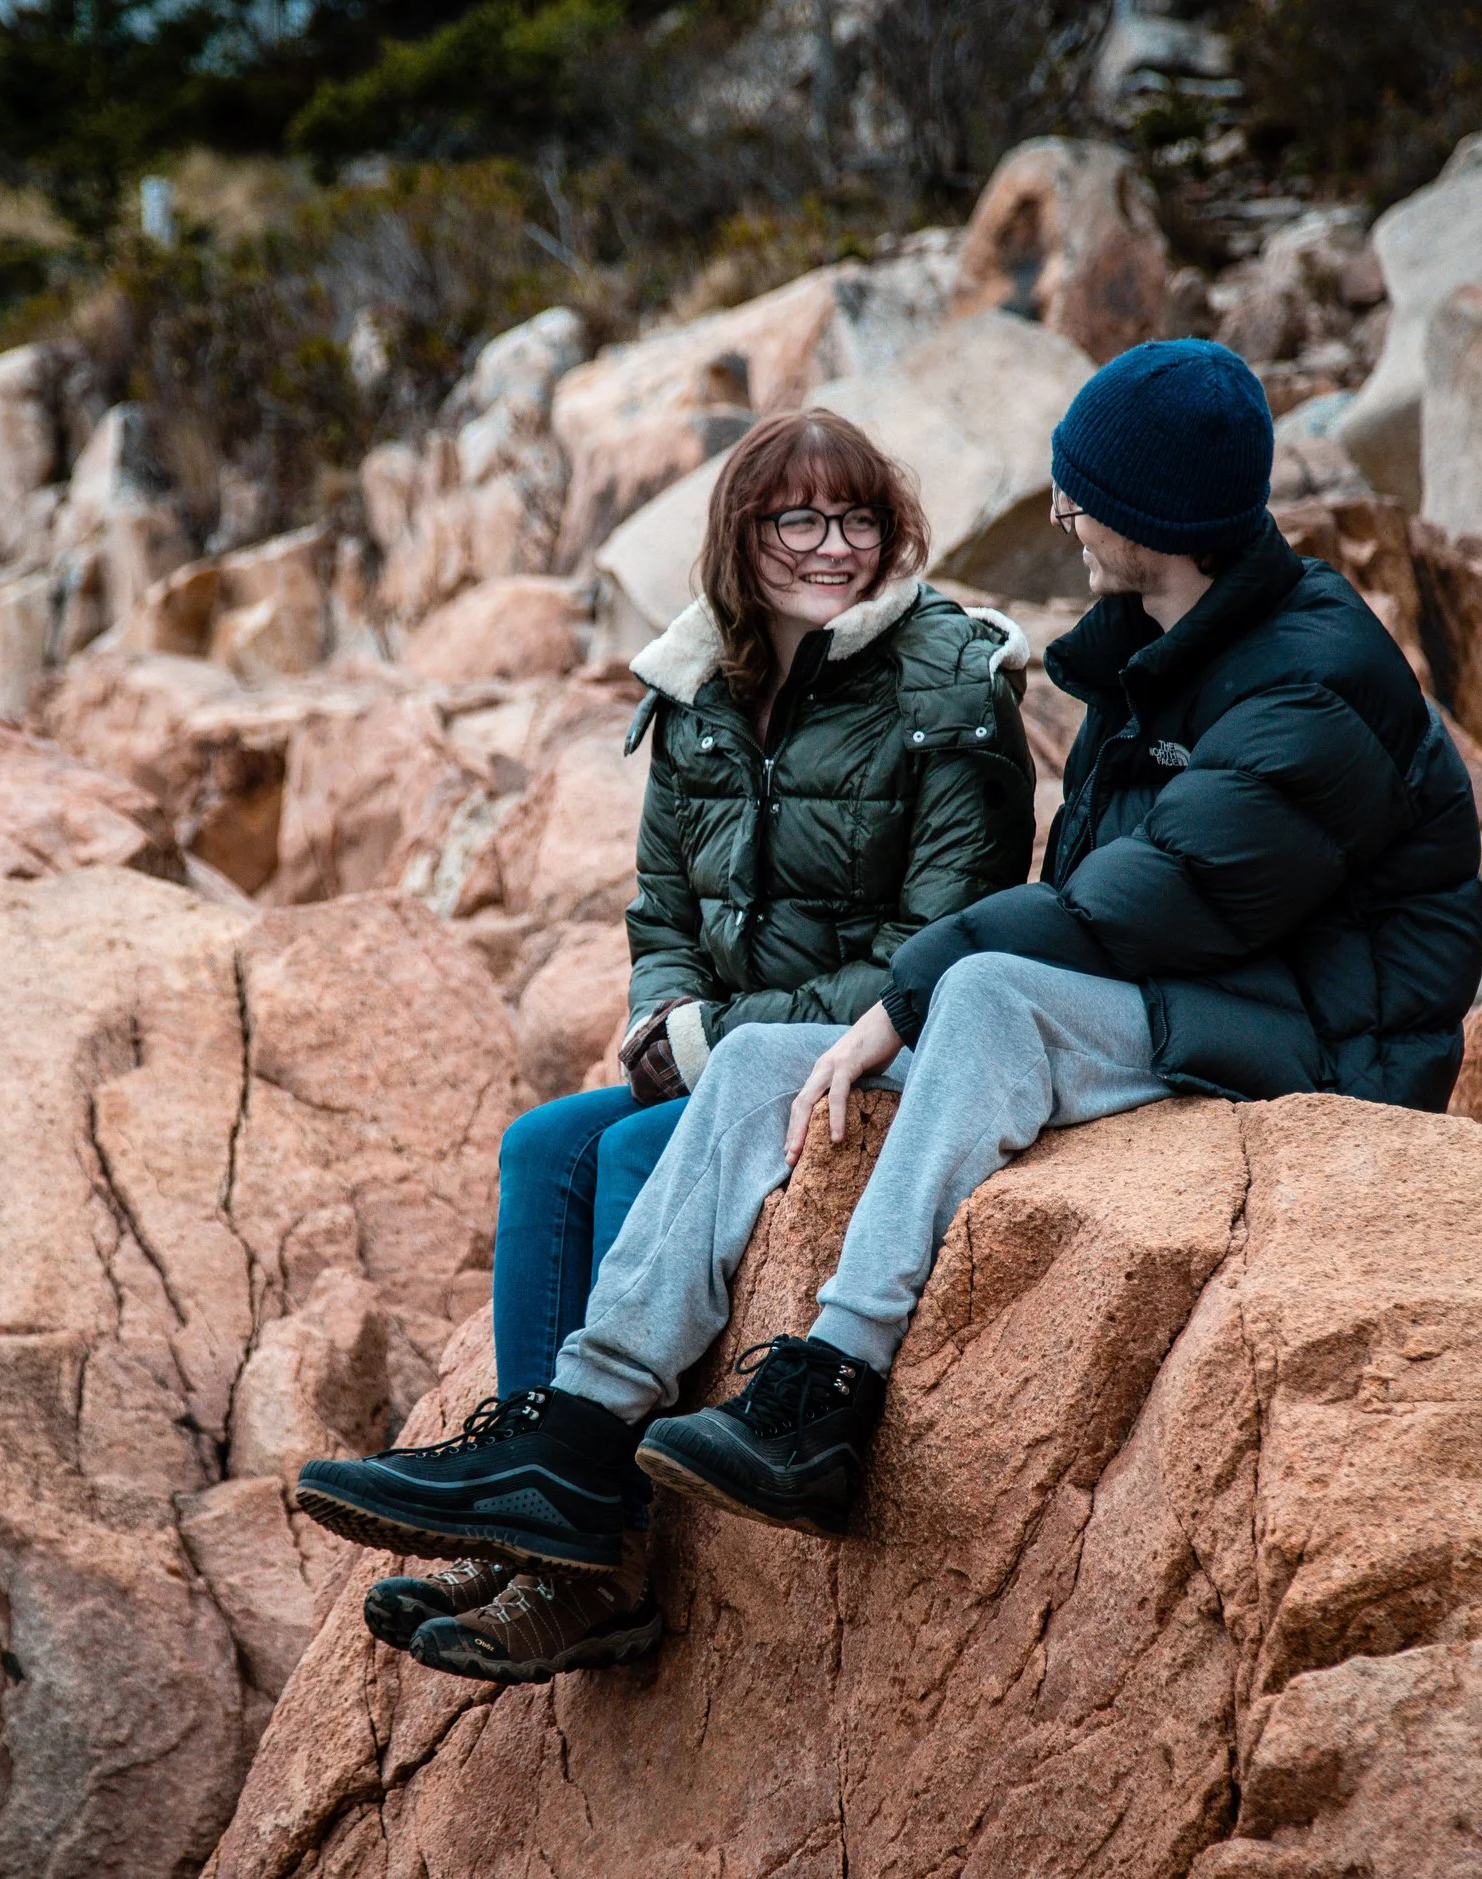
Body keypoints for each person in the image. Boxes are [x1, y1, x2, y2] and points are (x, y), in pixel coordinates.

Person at [298, 338, 1482, 1675]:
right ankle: (575, 1439)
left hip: (1322, 1036)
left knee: (973, 990)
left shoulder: (1306, 674)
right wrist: (710, 1016)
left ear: (1155, 514)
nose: (1055, 513)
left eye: (1080, 490)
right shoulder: (1162, 645)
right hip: (1200, 992)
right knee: (749, 1073)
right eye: (790, 517)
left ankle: (831, 1387)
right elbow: (680, 902)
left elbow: (1155, 898)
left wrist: (902, 1003)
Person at [350, 407, 1038, 1681]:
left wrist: (714, 1038)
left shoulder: (952, 680)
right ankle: (536, 1512)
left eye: (859, 519)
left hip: (883, 1048)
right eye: (800, 519)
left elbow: (939, 938)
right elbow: (659, 905)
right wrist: (666, 1010)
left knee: (640, 1155)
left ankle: (595, 1556)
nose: (834, 545)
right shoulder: (698, 688)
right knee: (545, 1145)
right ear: (742, 534)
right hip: (732, 1046)